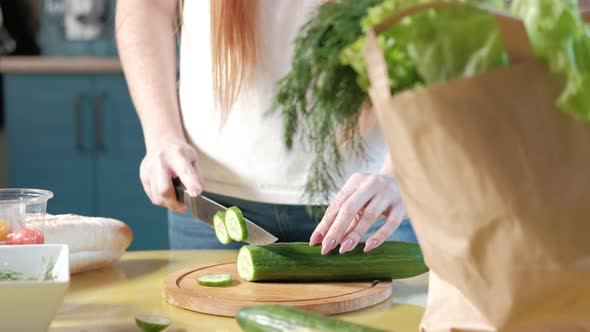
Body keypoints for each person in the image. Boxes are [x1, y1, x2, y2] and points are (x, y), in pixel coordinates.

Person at [115, 0, 417, 254]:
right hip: (212, 198)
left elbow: (434, 25)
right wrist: (161, 136)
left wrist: (401, 169)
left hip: (372, 201)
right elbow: (146, 7)